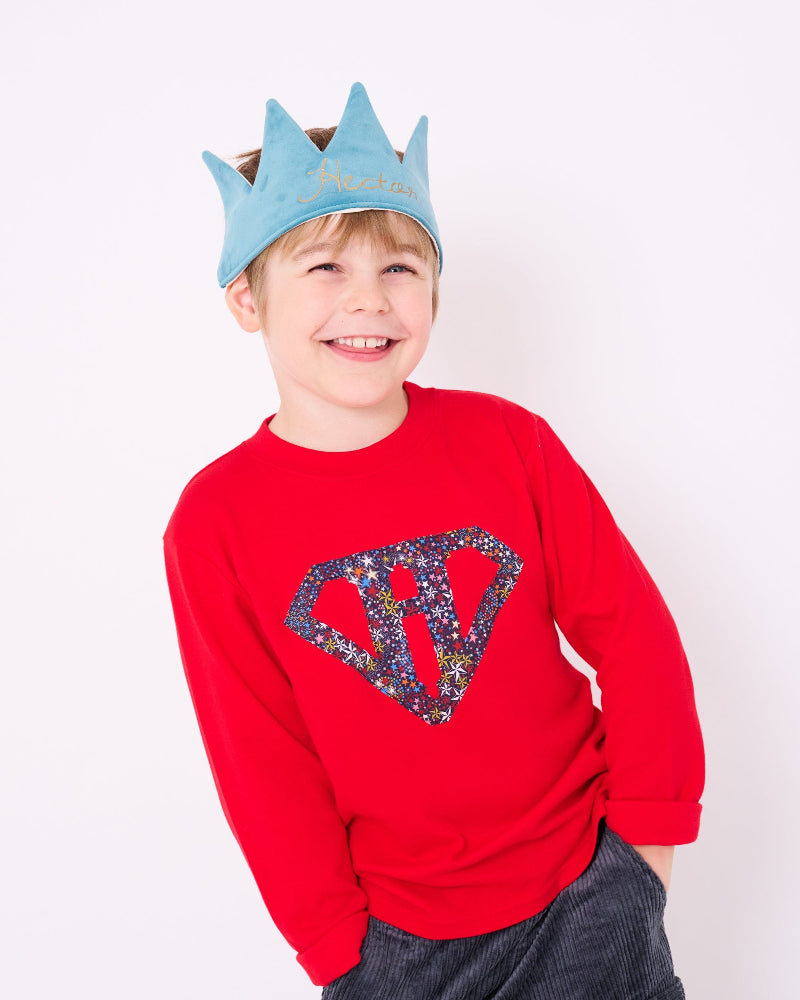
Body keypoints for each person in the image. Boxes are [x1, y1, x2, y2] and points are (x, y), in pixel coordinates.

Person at [163, 83, 704, 999]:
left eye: (401, 270)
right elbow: (260, 759)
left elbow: (635, 633)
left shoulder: (507, 443)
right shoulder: (216, 522)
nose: (368, 303)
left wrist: (642, 859)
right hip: (400, 943)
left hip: (587, 887)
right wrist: (341, 956)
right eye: (326, 270)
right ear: (246, 300)